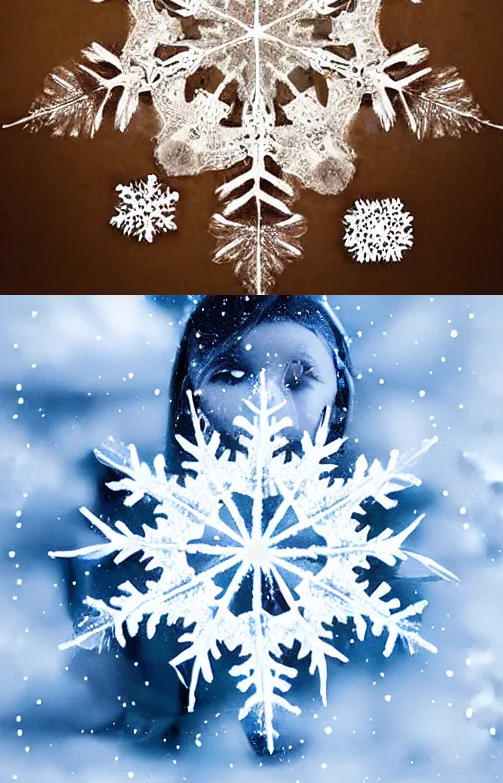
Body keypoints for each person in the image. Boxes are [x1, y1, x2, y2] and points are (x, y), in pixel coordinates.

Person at [59, 295, 363, 756]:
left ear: (337, 398)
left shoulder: (361, 532)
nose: (265, 400)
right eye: (230, 375)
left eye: (297, 379)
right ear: (191, 393)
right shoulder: (147, 521)